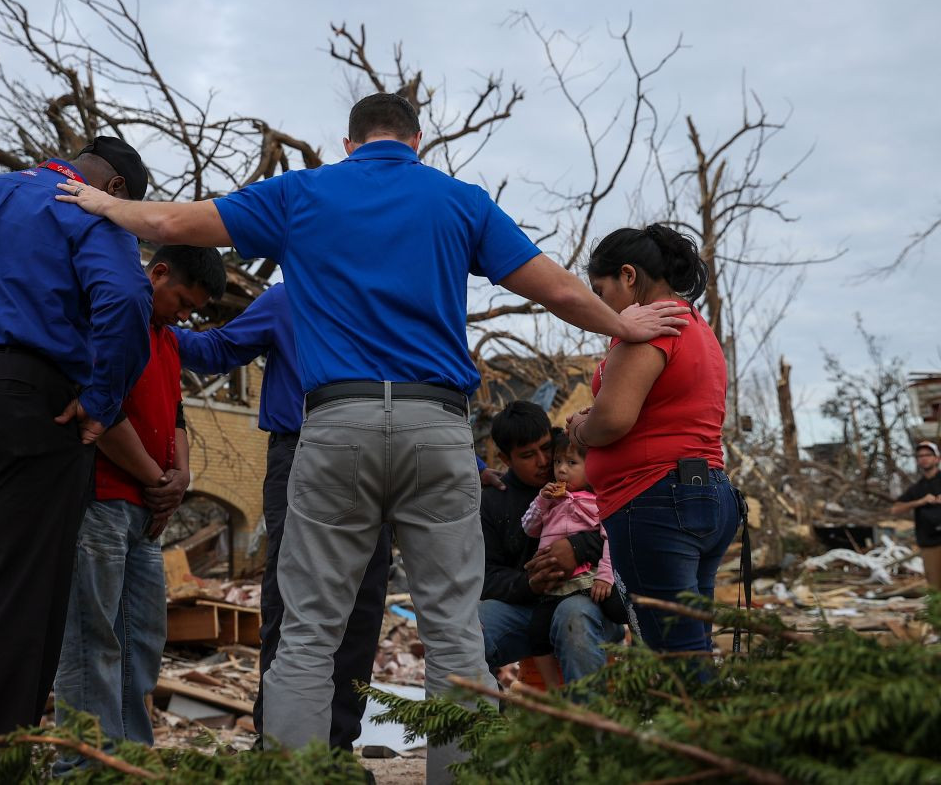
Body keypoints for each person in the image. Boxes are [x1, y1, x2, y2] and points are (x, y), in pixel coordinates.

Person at [54, 93, 687, 782]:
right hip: (436, 428)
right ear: (418, 139)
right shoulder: (459, 200)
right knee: (454, 631)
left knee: (306, 632)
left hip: (335, 427)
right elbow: (557, 289)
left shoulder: (304, 192)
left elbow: (177, 221)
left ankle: (293, 779)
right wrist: (625, 328)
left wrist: (103, 203)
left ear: (348, 143)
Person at [0, 137, 153, 740]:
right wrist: (101, 399)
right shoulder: (88, 206)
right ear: (116, 190)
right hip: (18, 400)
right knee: (17, 600)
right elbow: (123, 296)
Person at [173, 281, 392, 751]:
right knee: (292, 599)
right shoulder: (289, 297)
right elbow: (219, 349)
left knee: (362, 602)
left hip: (374, 456)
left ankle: (335, 747)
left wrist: (468, 463)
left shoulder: (383, 301)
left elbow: (422, 383)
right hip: (302, 451)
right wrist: (150, 322)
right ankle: (278, 742)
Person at [55, 245, 226, 747]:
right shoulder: (111, 322)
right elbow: (101, 414)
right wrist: (158, 481)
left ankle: (131, 756)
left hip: (145, 518)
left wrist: (182, 476)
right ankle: (86, 764)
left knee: (142, 641)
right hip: (103, 504)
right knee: (94, 641)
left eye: (193, 310)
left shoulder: (168, 340)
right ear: (158, 273)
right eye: (182, 301)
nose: (184, 314)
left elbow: (176, 416)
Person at [566, 224, 741, 653]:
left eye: (601, 291)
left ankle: (689, 720)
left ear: (629, 276)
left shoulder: (648, 329)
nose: (601, 305)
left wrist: (579, 429)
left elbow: (613, 422)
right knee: (691, 643)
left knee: (671, 655)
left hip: (655, 502)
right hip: (704, 493)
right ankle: (707, 718)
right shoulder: (695, 324)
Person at [479, 402, 621, 687]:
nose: (545, 461)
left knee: (574, 618)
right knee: (472, 628)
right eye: (528, 455)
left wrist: (578, 548)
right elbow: (485, 575)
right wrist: (529, 583)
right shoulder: (493, 502)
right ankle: (484, 721)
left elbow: (621, 530)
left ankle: (588, 726)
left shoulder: (591, 477)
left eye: (547, 448)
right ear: (505, 460)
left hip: (587, 597)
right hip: (526, 608)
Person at [522, 431, 626, 687]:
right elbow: (529, 528)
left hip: (585, 581)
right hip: (553, 584)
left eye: (571, 463)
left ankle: (615, 674)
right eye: (558, 462)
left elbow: (611, 539)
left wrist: (605, 575)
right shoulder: (552, 502)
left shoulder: (598, 502)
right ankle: (555, 692)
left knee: (595, 617)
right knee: (537, 633)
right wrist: (542, 502)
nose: (561, 470)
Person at [888, 441, 941, 589]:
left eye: (928, 455)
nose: (924, 458)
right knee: (935, 587)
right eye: (920, 456)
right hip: (929, 543)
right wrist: (920, 501)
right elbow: (895, 509)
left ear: (937, 458)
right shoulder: (917, 488)